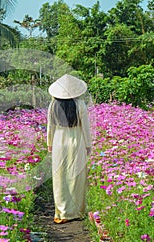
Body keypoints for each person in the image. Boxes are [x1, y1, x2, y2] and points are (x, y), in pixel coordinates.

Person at [47, 74, 92, 224]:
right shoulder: (80, 104)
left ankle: (61, 212)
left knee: (60, 177)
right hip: (76, 142)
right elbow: (85, 127)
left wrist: (49, 143)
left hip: (59, 142)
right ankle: (76, 212)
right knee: (77, 177)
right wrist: (88, 145)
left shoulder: (53, 105)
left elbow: (50, 126)